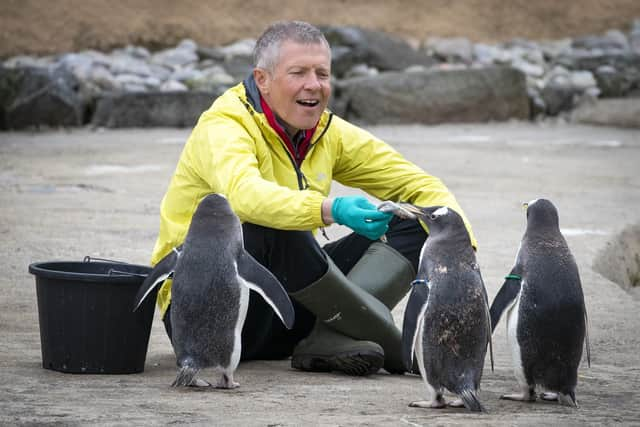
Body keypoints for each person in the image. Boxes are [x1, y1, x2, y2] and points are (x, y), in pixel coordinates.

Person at [150, 20, 477, 376]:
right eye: (298, 73)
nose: (313, 85)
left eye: (322, 73)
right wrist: (329, 209)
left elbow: (419, 184)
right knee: (273, 226)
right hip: (212, 321)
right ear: (262, 80)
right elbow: (245, 196)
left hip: (293, 313)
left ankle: (327, 337)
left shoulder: (325, 131)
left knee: (420, 224)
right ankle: (399, 351)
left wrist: (461, 249)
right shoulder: (225, 125)